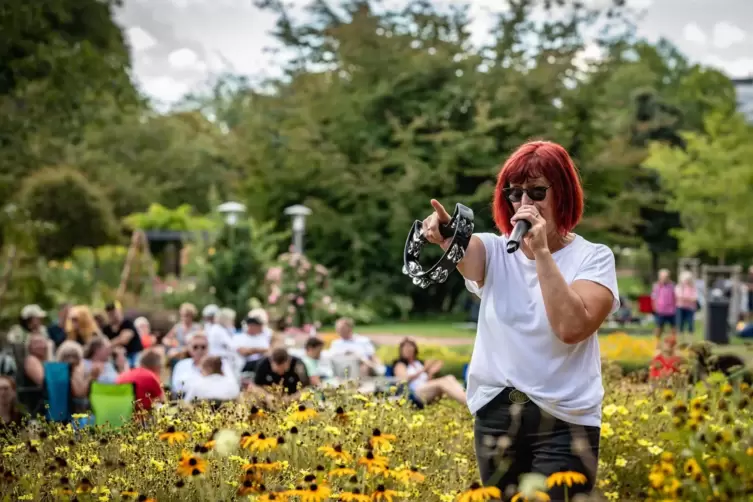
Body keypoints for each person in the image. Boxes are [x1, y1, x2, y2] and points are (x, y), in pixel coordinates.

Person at [422, 141, 618, 501]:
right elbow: (466, 252)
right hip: (497, 416)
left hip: (565, 423)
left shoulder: (594, 258)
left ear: (563, 194)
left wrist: (541, 251)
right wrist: (446, 233)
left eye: (537, 191)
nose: (525, 203)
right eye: (515, 193)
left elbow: (571, 328)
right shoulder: (495, 249)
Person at [392, 338, 466, 405]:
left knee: (449, 377)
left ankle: (467, 399)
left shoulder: (419, 363)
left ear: (414, 350)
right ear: (401, 351)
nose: (408, 350)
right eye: (405, 348)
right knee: (442, 382)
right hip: (415, 393)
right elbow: (404, 379)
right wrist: (424, 369)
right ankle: (468, 402)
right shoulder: (400, 364)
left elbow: (428, 380)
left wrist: (431, 372)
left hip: (427, 388)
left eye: (410, 348)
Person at [102, 303, 143, 367]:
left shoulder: (127, 323)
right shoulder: (106, 328)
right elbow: (103, 342)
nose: (113, 315)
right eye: (110, 312)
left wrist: (109, 345)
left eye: (114, 311)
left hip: (133, 355)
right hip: (116, 357)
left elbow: (124, 339)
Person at [652, 269, 677, 347]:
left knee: (673, 329)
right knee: (659, 328)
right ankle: (657, 343)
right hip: (660, 311)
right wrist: (655, 308)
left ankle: (672, 344)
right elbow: (654, 298)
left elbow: (675, 297)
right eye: (663, 277)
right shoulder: (657, 286)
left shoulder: (672, 285)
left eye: (666, 277)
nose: (664, 279)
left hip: (671, 311)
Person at [675, 270, 698, 344]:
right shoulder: (679, 287)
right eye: (685, 279)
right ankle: (681, 341)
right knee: (680, 325)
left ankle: (690, 342)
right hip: (680, 308)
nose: (687, 281)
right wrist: (689, 299)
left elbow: (694, 298)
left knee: (690, 325)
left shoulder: (693, 287)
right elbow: (679, 297)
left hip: (690, 309)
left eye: (688, 279)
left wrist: (685, 298)